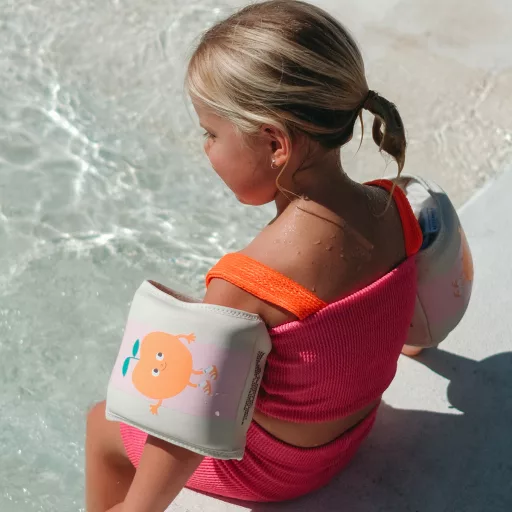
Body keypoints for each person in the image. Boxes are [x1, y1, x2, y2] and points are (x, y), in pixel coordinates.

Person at [86, 1, 430, 510]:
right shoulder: (394, 207)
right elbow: (415, 308)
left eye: (210, 133)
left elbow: (184, 427)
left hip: (277, 473)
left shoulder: (246, 283)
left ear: (275, 144)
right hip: (352, 433)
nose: (206, 148)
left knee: (100, 426)